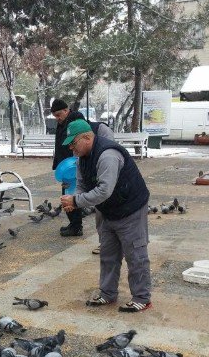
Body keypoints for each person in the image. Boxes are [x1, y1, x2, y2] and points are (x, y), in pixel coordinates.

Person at [60, 119, 152, 313]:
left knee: (135, 255)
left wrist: (76, 202)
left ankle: (142, 297)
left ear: (87, 137)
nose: (71, 149)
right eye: (69, 145)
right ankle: (108, 294)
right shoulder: (81, 158)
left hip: (130, 207)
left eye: (73, 143)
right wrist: (74, 199)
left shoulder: (108, 155)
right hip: (107, 211)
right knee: (108, 255)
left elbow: (104, 191)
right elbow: (82, 184)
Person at [51, 99, 85, 236]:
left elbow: (80, 141)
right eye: (55, 116)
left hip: (73, 165)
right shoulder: (62, 122)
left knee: (71, 195)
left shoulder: (76, 119)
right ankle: (73, 223)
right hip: (65, 165)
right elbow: (59, 145)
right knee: (66, 195)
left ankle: (76, 227)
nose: (57, 118)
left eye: (59, 115)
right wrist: (57, 164)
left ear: (66, 110)